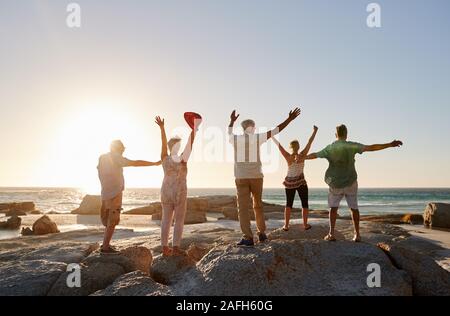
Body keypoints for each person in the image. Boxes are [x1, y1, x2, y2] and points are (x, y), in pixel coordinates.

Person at [306, 125, 403, 242]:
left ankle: (331, 234)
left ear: (335, 135)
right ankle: (357, 235)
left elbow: (315, 155)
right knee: (354, 208)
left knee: (333, 208)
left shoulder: (330, 148)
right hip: (350, 182)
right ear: (346, 134)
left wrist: (303, 158)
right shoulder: (351, 145)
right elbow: (371, 148)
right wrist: (389, 144)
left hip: (335, 183)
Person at [228, 107, 301, 247]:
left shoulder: (236, 139)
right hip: (256, 177)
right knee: (258, 205)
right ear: (253, 128)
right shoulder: (257, 137)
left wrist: (231, 121)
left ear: (243, 129)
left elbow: (229, 132)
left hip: (241, 177)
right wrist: (289, 119)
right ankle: (261, 233)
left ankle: (248, 237)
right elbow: (276, 130)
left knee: (242, 208)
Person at [98, 140, 161, 254]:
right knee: (113, 221)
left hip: (105, 192)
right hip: (115, 193)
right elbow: (135, 163)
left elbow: (99, 171)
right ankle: (105, 247)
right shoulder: (117, 157)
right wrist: (154, 163)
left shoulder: (102, 157)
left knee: (107, 220)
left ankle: (105, 245)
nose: (123, 151)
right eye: (122, 149)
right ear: (118, 148)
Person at [155, 115, 201, 256]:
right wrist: (194, 130)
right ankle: (175, 248)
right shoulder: (182, 158)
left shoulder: (164, 157)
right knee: (179, 220)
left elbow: (163, 142)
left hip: (166, 191)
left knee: (166, 220)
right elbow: (190, 143)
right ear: (178, 147)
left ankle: (164, 248)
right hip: (179, 192)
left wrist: (162, 128)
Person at [272, 125, 318, 231]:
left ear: (291, 147)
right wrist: (315, 131)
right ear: (298, 146)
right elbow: (310, 142)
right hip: (301, 181)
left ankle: (286, 226)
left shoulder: (288, 156)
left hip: (290, 182)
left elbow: (279, 146)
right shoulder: (302, 155)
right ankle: (305, 224)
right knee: (304, 203)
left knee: (289, 204)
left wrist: (272, 137)